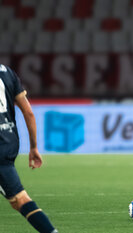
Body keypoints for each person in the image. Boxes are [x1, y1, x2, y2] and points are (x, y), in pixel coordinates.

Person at [0, 65, 58, 233]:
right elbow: (28, 112)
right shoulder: (7, 72)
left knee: (20, 199)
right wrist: (34, 147)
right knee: (20, 199)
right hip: (8, 144)